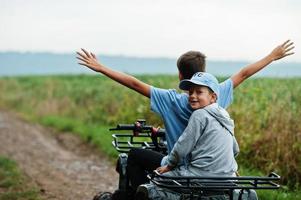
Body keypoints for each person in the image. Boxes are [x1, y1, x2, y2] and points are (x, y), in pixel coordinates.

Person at [76, 40, 294, 199]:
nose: (193, 96)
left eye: (197, 92)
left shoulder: (172, 100)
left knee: (134, 155)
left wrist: (102, 68)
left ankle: (137, 196)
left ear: (181, 76)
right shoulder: (218, 97)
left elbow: (135, 84)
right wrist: (272, 56)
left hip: (186, 167)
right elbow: (244, 73)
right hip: (218, 171)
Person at [135, 72, 238, 200]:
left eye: (199, 92)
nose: (193, 96)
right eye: (190, 92)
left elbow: (183, 145)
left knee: (157, 178)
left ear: (213, 97)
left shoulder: (199, 115)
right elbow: (234, 149)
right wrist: (230, 169)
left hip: (199, 177)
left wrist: (170, 165)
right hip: (228, 179)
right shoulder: (225, 116)